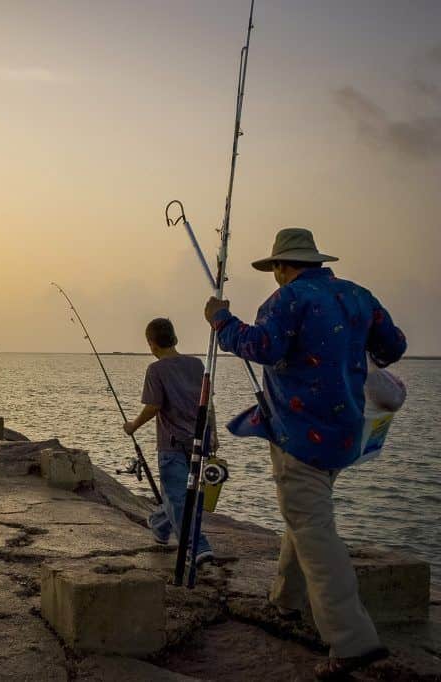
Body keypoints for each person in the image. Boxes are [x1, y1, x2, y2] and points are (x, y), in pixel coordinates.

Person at [204, 227, 406, 680]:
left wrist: (220, 320)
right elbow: (394, 347)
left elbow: (261, 346)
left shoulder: (285, 300)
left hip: (299, 434)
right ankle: (285, 602)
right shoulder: (359, 295)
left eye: (275, 268)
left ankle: (352, 640)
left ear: (280, 266)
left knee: (312, 527)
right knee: (304, 516)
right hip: (344, 433)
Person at [124, 318, 216, 565]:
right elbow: (208, 404)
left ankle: (197, 547)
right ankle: (160, 526)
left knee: (177, 497)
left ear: (151, 345)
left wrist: (133, 426)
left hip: (172, 446)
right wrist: (213, 434)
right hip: (199, 443)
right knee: (183, 495)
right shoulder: (197, 365)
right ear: (175, 339)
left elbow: (153, 406)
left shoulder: (156, 370)